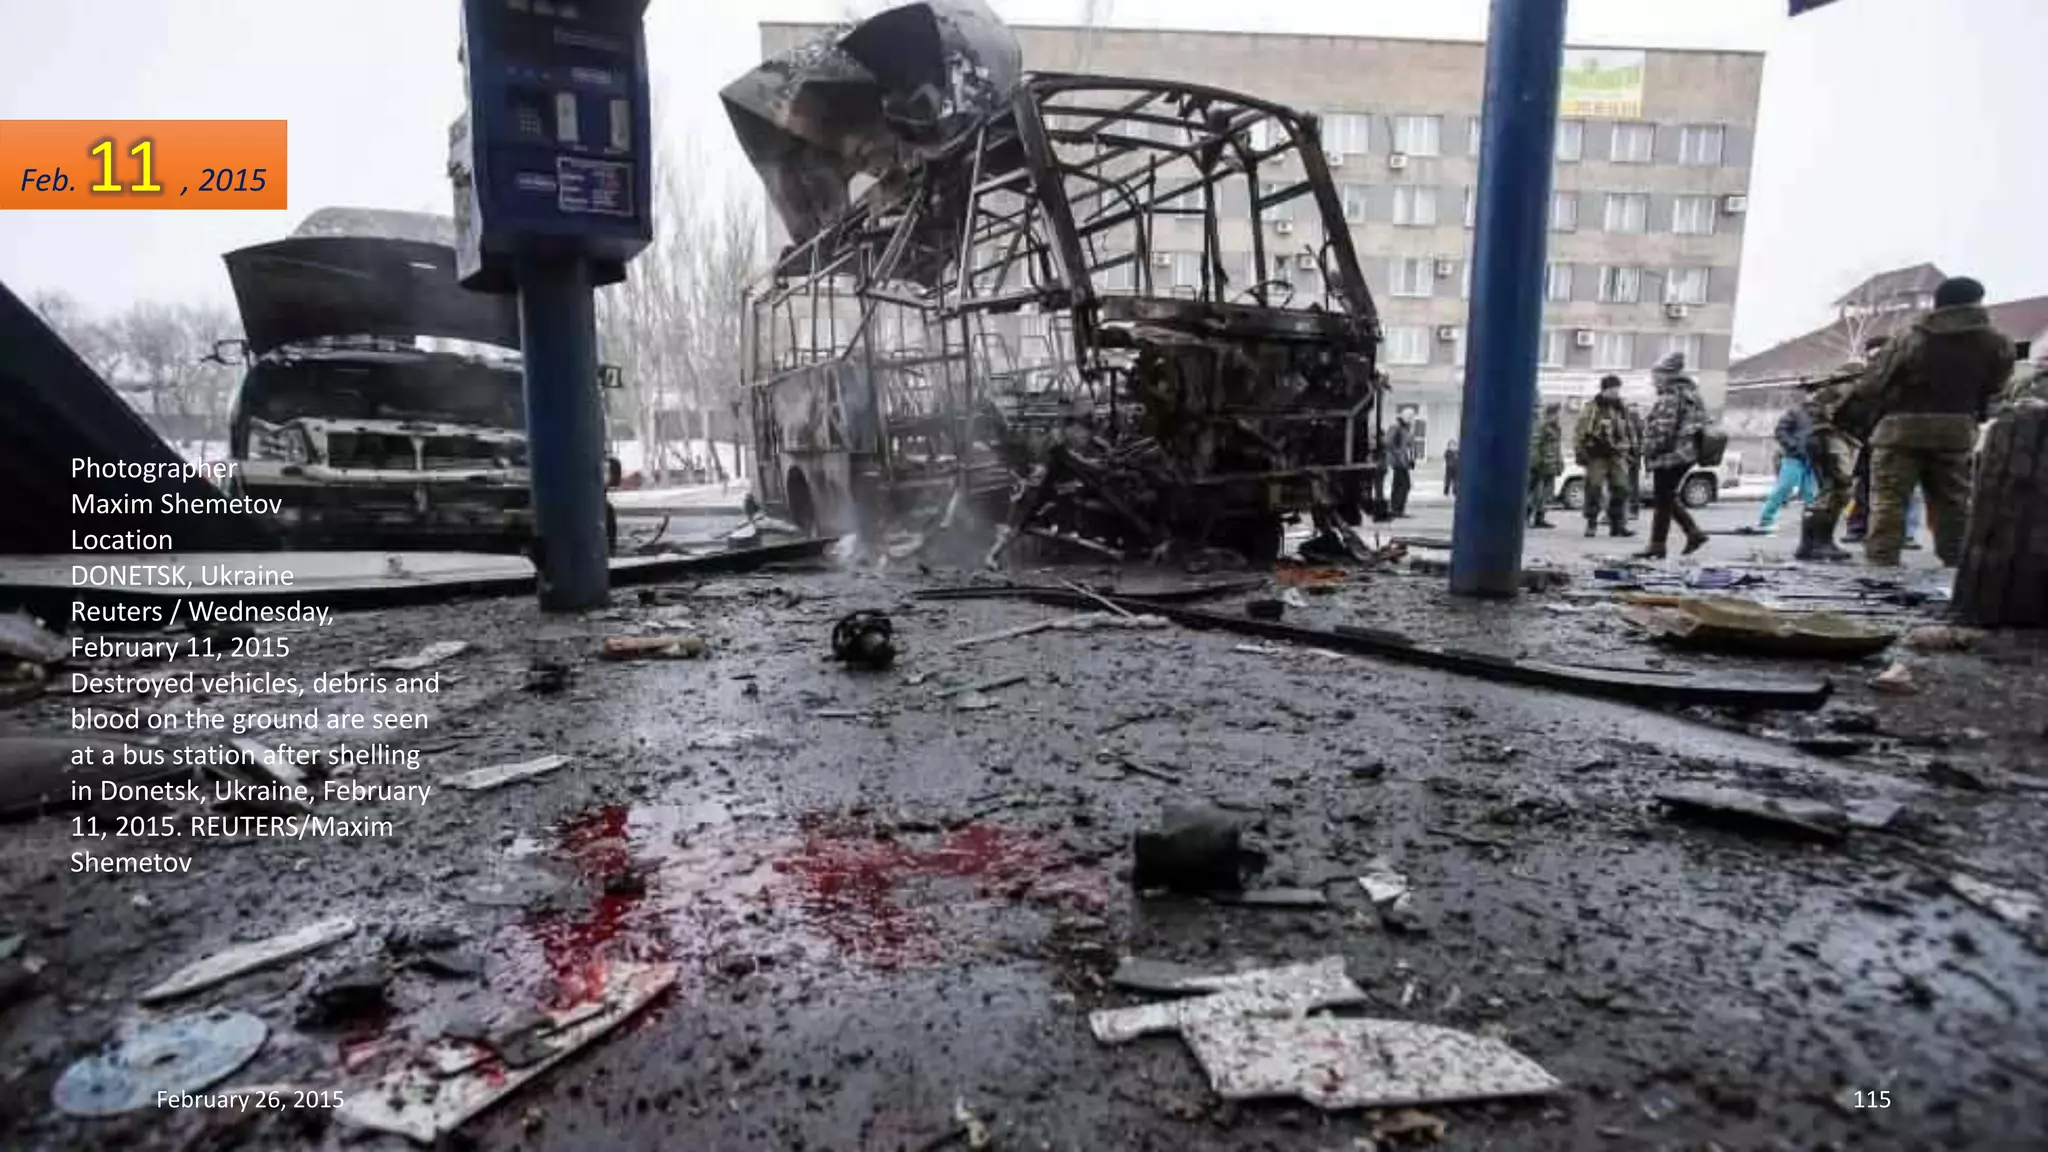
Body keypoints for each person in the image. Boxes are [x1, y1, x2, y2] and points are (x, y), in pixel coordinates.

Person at [1853, 276, 2015, 567]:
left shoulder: (1909, 337)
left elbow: (1872, 385)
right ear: (1977, 302)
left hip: (1899, 430)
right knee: (1953, 502)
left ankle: (1881, 563)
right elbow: (1997, 388)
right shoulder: (1997, 342)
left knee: (1889, 500)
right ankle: (1956, 565)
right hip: (1955, 430)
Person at [1635, 352, 1710, 558]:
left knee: (1663, 498)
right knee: (1666, 497)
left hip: (1672, 455)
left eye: (1655, 374)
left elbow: (1663, 431)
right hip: (1686, 453)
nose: (1653, 379)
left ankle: (1658, 545)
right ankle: (1692, 534)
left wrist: (1647, 450)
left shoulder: (1670, 395)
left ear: (1666, 374)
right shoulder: (1691, 393)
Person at [1793, 360, 1862, 561]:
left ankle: (1814, 543)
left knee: (1833, 491)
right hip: (1831, 440)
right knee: (1835, 489)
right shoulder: (1839, 389)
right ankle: (1819, 543)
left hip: (1830, 439)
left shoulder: (1829, 391)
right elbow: (1827, 415)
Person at [1573, 375, 1637, 537]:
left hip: (1617, 454)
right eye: (1614, 388)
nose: (1617, 392)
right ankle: (1591, 523)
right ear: (1605, 389)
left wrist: (1632, 450)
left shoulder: (1621, 407)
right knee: (1594, 487)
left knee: (1621, 488)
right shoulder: (1593, 407)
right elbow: (1580, 431)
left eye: (1618, 388)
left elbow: (1629, 430)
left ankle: (1617, 524)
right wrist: (1581, 453)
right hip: (1597, 454)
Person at [1754, 400, 1817, 531]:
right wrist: (1792, 445)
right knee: (1784, 487)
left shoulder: (1821, 415)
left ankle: (1811, 523)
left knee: (1810, 493)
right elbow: (1780, 430)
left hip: (1811, 457)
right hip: (1793, 456)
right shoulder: (1796, 412)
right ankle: (1766, 520)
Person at [1526, 402, 1564, 528]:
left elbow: (1557, 448)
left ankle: (1540, 518)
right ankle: (1526, 517)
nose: (1559, 416)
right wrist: (1536, 463)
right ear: (1551, 414)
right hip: (1541, 466)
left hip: (1550, 466)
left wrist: (1559, 462)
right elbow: (1535, 445)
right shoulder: (1541, 426)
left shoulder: (1556, 427)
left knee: (1546, 495)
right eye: (1557, 413)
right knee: (1535, 494)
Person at [1387, 414, 1417, 517]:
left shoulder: (1403, 430)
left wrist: (1410, 459)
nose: (1411, 424)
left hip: (1401, 462)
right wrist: (1398, 454)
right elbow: (1390, 444)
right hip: (1399, 462)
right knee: (1404, 485)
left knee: (1399, 484)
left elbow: (1408, 445)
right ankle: (1397, 509)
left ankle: (1396, 508)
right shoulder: (1397, 430)